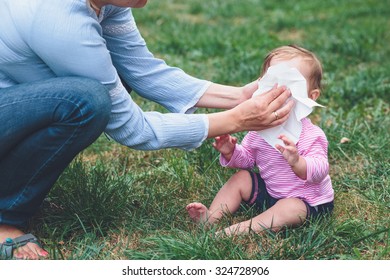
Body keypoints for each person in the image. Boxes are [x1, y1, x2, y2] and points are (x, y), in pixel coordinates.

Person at [0, 0, 293, 259]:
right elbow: (133, 128)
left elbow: (142, 69)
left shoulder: (109, 2)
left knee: (108, 84)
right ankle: (4, 216)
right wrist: (236, 120)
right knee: (88, 101)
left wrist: (239, 97)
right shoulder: (59, 20)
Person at [186, 45, 334, 236]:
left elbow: (321, 170)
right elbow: (248, 159)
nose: (280, 91)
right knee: (241, 178)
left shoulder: (311, 135)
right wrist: (231, 151)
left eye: (290, 83)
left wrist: (298, 162)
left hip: (307, 201)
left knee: (290, 208)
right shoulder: (260, 130)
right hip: (271, 193)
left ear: (311, 96)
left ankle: (238, 230)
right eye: (273, 82)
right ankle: (210, 217)